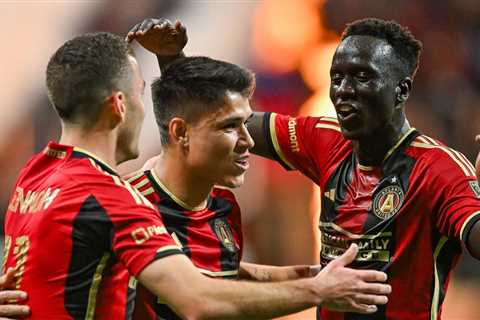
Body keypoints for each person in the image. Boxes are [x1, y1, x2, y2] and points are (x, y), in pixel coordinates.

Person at [3, 31, 391, 319]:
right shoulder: (116, 199)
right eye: (140, 92)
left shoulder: (37, 174)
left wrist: (311, 275)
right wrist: (317, 290)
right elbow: (198, 299)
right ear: (120, 105)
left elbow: (210, 270)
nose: (246, 142)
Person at [144, 17, 480, 320]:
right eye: (337, 78)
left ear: (401, 90)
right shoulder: (324, 139)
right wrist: (172, 62)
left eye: (363, 77)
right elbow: (222, 121)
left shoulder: (440, 169)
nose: (344, 91)